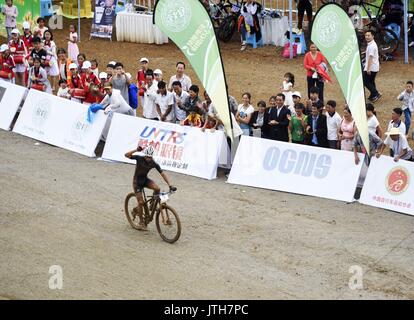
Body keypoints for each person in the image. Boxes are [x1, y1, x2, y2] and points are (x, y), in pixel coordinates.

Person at [124, 144, 177, 231]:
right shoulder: (139, 158)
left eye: (150, 157)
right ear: (144, 155)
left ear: (152, 156)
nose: (148, 158)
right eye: (147, 157)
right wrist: (136, 150)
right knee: (141, 202)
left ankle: (152, 205)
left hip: (145, 180)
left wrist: (170, 185)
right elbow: (126, 155)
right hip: (137, 183)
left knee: (157, 188)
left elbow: (162, 174)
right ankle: (141, 223)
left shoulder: (153, 163)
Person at [363, 30, 381, 103]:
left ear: (372, 36)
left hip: (372, 67)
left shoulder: (372, 46)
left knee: (365, 81)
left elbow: (370, 57)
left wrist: (368, 68)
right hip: (374, 67)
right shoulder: (371, 44)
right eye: (366, 35)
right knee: (371, 81)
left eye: (368, 35)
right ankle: (373, 95)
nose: (367, 37)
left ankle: (376, 93)